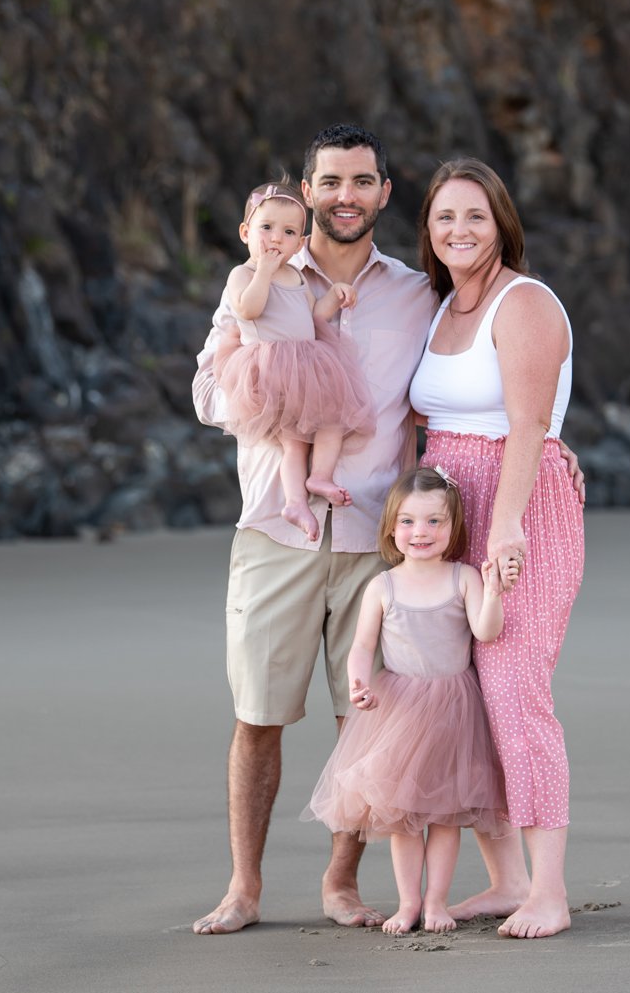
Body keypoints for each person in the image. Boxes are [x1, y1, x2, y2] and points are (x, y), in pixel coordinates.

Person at [189, 124, 439, 935]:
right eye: (330, 182)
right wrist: (269, 395)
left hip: (377, 536)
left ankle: (341, 881)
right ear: (307, 190)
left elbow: (470, 391)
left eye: (362, 182)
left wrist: (552, 438)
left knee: (364, 713)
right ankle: (244, 887)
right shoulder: (258, 275)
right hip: (275, 529)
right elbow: (203, 394)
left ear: (384, 193)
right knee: (258, 713)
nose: (345, 197)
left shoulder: (415, 293)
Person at [408, 157, 585, 939]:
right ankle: (505, 876)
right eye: (444, 217)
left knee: (515, 690)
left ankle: (549, 889)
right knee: (463, 698)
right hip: (444, 511)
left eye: (475, 216)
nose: (459, 230)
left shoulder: (527, 303)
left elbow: (528, 424)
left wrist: (507, 523)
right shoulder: (441, 308)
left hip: (521, 505)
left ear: (501, 222)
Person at [301, 467, 518, 935]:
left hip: (454, 710)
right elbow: (361, 647)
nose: (420, 532)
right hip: (399, 706)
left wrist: (495, 591)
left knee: (444, 817)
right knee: (402, 818)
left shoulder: (462, 578)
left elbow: (486, 630)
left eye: (434, 522)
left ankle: (437, 901)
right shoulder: (383, 585)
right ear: (391, 527)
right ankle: (408, 903)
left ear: (453, 527)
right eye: (408, 521)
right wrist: (359, 683)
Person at [213, 181, 374, 541]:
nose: (275, 239)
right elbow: (248, 309)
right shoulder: (243, 274)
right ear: (245, 233)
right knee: (293, 443)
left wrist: (334, 295)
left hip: (307, 362)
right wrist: (264, 272)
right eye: (266, 228)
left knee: (332, 420)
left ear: (299, 243)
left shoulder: (297, 276)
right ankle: (296, 500)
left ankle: (318, 478)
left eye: (287, 232)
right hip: (271, 368)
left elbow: (314, 316)